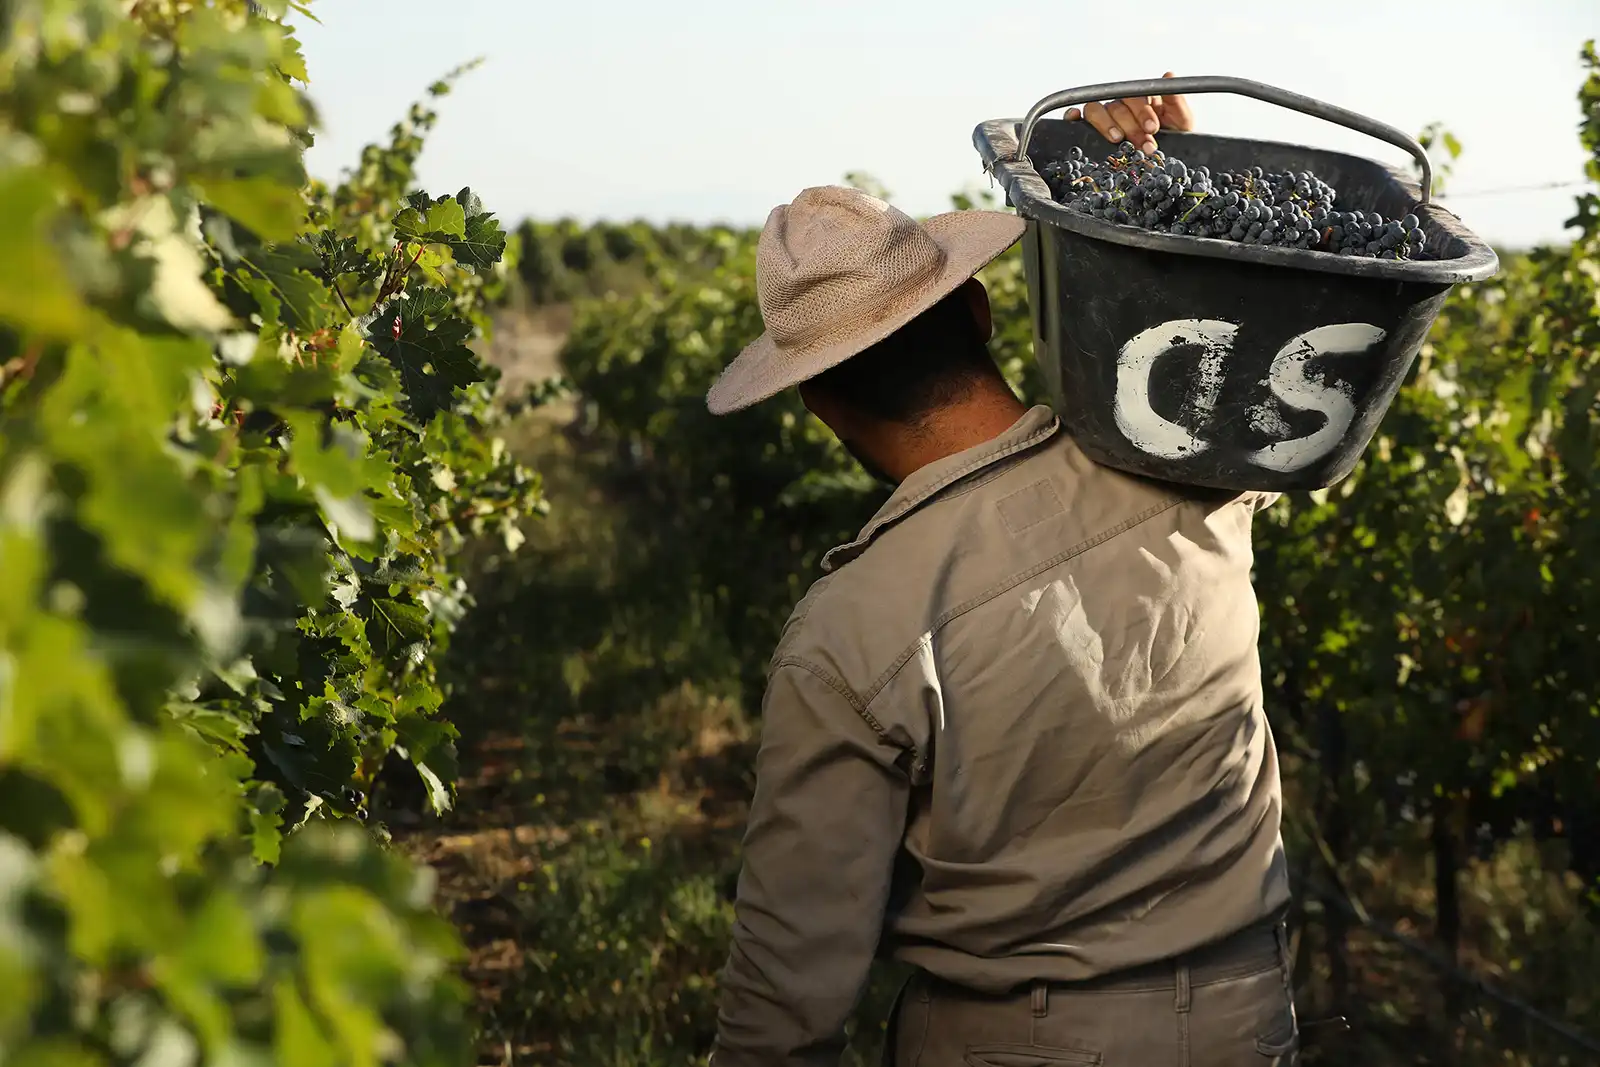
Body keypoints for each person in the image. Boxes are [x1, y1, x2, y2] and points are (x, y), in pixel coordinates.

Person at [703, 75, 1297, 1067]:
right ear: (976, 312)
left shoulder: (849, 630)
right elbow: (1246, 313)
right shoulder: (1189, 465)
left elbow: (787, 995)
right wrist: (1149, 169)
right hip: (1250, 1017)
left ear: (814, 405)